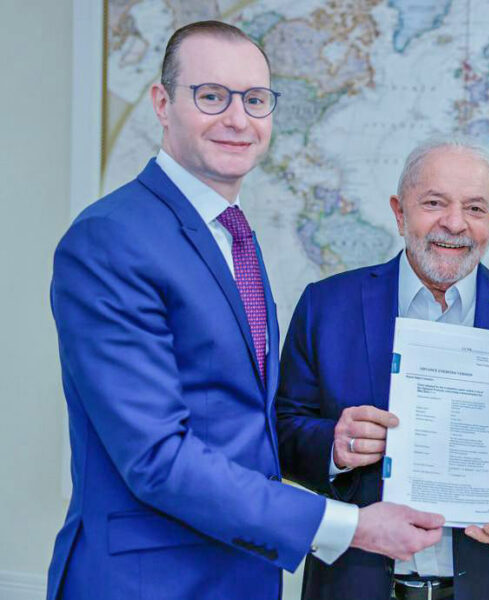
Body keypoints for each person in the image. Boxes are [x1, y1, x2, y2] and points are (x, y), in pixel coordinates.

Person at [47, 20, 443, 600]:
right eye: (212, 96)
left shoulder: (231, 234)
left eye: (255, 100)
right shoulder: (111, 239)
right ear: (162, 103)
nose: (238, 119)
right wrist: (351, 526)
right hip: (149, 582)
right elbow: (157, 456)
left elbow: (239, 419)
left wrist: (333, 445)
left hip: (242, 575)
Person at [276, 137, 489, 600]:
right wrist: (334, 448)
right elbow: (281, 430)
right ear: (399, 213)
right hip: (355, 586)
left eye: (475, 208)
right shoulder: (327, 306)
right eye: (434, 203)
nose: (455, 223)